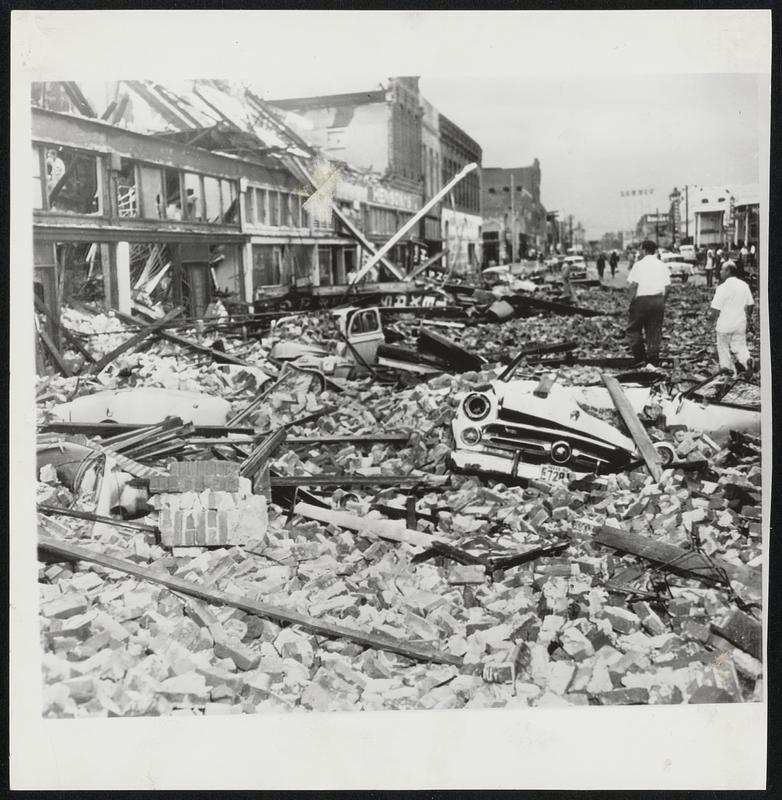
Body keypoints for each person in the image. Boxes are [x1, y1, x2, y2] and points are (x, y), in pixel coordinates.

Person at [625, 239, 671, 366]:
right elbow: (668, 288)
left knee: (633, 329)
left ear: (644, 250)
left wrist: (631, 302)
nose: (640, 252)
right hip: (657, 300)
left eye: (640, 249)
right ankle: (653, 360)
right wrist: (661, 301)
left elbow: (633, 285)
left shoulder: (638, 265)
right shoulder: (662, 265)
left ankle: (640, 359)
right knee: (654, 331)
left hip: (641, 301)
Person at [709, 259, 754, 376]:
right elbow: (750, 304)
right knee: (740, 346)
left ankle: (728, 371)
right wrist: (748, 317)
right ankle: (746, 361)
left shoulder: (721, 288)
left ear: (728, 271)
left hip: (725, 325)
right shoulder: (744, 285)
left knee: (723, 349)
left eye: (722, 270)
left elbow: (715, 310)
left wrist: (711, 321)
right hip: (740, 322)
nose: (720, 272)